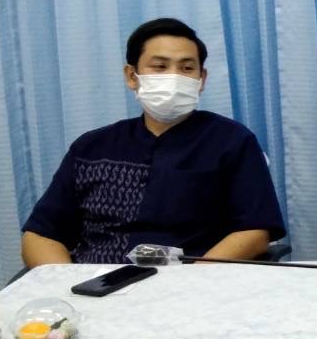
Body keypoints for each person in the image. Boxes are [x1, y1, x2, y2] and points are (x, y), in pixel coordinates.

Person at [22, 18, 285, 266]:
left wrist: (197, 278)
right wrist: (67, 284)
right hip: (96, 283)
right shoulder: (91, 148)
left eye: (187, 68)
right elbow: (40, 235)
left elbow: (254, 231)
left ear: (201, 79)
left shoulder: (232, 142)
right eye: (159, 67)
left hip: (192, 280)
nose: (174, 77)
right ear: (131, 76)